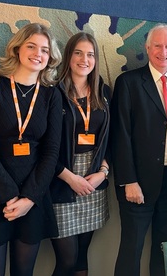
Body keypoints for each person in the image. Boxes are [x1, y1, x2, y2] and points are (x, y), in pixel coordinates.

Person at [0, 23, 63, 276]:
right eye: (31, 46)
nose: (38, 54)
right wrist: (9, 195)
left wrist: (29, 198)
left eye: (44, 49)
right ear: (17, 48)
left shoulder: (51, 95)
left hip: (32, 195)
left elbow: (51, 152)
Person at [111, 24, 167, 276]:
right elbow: (119, 135)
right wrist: (128, 181)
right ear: (147, 48)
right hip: (138, 183)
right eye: (157, 45)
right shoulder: (129, 82)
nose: (163, 52)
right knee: (131, 249)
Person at [50, 32, 111, 276]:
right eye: (78, 53)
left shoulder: (103, 92)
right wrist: (69, 177)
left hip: (94, 177)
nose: (84, 59)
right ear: (68, 56)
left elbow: (112, 138)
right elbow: (44, 145)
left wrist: (103, 173)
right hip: (61, 178)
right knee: (67, 259)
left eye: (90, 54)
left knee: (82, 256)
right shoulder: (54, 92)